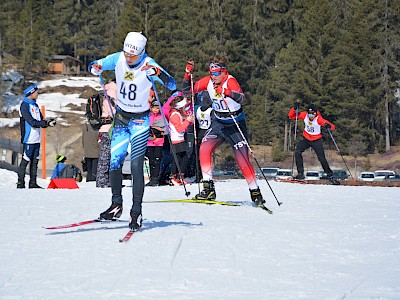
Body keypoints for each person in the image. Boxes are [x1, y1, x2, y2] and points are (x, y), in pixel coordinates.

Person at [89, 31, 176, 231]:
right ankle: (116, 204)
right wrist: (95, 67)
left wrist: (159, 74)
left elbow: (171, 84)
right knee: (114, 161)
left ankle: (136, 211)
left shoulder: (148, 63)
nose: (129, 58)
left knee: (136, 165)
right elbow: (95, 64)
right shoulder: (118, 58)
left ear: (142, 52)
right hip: (121, 119)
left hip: (140, 121)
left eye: (133, 56)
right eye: (127, 54)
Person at [181, 55, 267, 207]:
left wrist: (226, 92)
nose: (212, 76)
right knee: (204, 148)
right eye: (211, 73)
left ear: (223, 72)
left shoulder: (230, 81)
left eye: (215, 73)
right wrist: (188, 74)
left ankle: (255, 193)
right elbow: (188, 91)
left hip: (235, 124)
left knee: (242, 160)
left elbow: (243, 99)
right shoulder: (208, 81)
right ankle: (208, 189)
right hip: (219, 123)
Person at [288, 102, 340, 185]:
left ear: (315, 113)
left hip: (316, 140)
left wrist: (328, 126)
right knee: (297, 152)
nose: (311, 116)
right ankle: (300, 173)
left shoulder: (319, 118)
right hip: (306, 139)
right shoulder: (304, 115)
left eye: (313, 114)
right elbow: (291, 116)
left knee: (321, 158)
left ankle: (330, 175)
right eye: (309, 114)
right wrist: (294, 109)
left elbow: (332, 126)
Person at [17, 84, 56, 189]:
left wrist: (48, 122)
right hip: (29, 138)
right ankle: (20, 183)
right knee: (25, 160)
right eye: (36, 92)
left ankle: (33, 183)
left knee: (35, 161)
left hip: (37, 138)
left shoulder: (36, 105)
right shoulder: (24, 105)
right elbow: (32, 122)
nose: (37, 94)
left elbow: (41, 121)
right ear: (31, 93)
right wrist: (45, 123)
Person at [167, 93, 195, 186]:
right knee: (178, 158)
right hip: (176, 139)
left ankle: (180, 176)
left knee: (183, 157)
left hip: (180, 139)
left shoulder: (178, 113)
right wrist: (187, 121)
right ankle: (173, 176)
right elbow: (179, 128)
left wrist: (188, 120)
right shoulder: (175, 114)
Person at [96, 81, 117, 188]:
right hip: (108, 128)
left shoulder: (111, 91)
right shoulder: (112, 92)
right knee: (106, 155)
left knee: (108, 155)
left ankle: (106, 180)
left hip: (108, 128)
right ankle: (102, 181)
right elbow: (111, 110)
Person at [146, 99, 165, 186]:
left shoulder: (162, 117)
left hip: (159, 141)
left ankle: (156, 178)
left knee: (157, 159)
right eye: (154, 108)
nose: (156, 110)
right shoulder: (148, 116)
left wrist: (156, 128)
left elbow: (165, 129)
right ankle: (152, 177)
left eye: (158, 108)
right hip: (149, 141)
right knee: (151, 160)